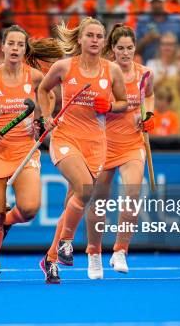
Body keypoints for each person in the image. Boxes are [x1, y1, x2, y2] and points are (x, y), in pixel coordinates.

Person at [37, 17, 128, 284]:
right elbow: (43, 90)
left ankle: (51, 259)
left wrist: (109, 107)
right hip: (65, 137)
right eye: (90, 35)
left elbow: (123, 102)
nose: (95, 40)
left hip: (96, 144)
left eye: (100, 36)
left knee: (72, 204)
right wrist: (46, 117)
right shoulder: (64, 67)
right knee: (85, 189)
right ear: (80, 39)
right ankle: (66, 242)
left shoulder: (111, 71)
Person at [0, 25, 63, 282]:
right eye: (11, 43)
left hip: (25, 150)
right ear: (2, 47)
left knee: (28, 209)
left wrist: (43, 118)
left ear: (25, 50)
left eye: (20, 44)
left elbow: (50, 95)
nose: (15, 48)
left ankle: (6, 224)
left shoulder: (35, 77)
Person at [84, 24, 155, 279]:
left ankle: (120, 250)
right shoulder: (103, 73)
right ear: (112, 49)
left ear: (135, 48)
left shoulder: (145, 73)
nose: (125, 53)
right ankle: (94, 254)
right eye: (120, 48)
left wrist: (148, 115)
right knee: (99, 202)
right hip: (102, 142)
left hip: (132, 143)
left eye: (129, 48)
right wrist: (106, 106)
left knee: (132, 194)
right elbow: (91, 106)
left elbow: (151, 96)